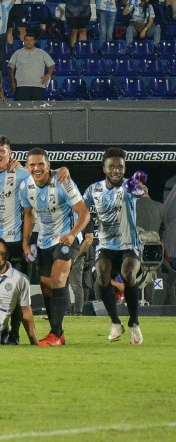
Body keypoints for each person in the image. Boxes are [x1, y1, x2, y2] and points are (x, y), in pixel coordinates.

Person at [20, 147, 90, 346]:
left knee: (58, 280)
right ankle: (57, 333)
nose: (36, 168)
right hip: (44, 242)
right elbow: (28, 215)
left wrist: (72, 234)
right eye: (32, 164)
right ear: (27, 167)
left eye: (41, 164)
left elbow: (84, 213)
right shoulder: (25, 186)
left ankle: (56, 334)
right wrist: (25, 243)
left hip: (66, 239)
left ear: (48, 165)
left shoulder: (63, 181)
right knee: (46, 285)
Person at [83, 147, 145, 344]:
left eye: (120, 167)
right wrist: (85, 231)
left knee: (128, 274)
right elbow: (81, 209)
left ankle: (134, 323)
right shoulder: (94, 190)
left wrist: (139, 185)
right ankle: (115, 323)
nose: (116, 170)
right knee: (101, 277)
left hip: (129, 244)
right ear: (104, 168)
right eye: (112, 166)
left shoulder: (129, 186)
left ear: (125, 169)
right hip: (106, 245)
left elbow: (140, 190)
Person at [8, 33, 55, 101]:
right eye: (26, 40)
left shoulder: (42, 53)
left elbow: (52, 65)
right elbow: (11, 68)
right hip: (21, 86)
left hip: (38, 86)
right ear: (23, 41)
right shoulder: (17, 53)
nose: (29, 42)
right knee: (22, 108)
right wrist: (12, 82)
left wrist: (48, 75)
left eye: (31, 40)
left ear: (34, 41)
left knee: (37, 109)